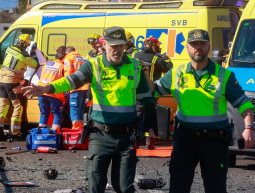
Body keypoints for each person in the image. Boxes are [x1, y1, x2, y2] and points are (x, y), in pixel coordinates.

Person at [22, 26, 157, 193]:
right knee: (95, 185)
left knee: (124, 187)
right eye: (113, 45)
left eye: (120, 45)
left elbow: (147, 98)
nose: (117, 50)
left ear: (125, 45)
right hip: (101, 136)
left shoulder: (135, 66)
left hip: (126, 137)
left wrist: (150, 125)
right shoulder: (93, 65)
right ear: (105, 44)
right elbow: (70, 81)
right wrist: (46, 88)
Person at [153, 29, 255, 193]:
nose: (198, 48)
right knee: (178, 187)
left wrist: (249, 128)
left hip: (214, 141)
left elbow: (244, 104)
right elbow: (153, 90)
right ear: (187, 47)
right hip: (184, 140)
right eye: (194, 44)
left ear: (209, 46)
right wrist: (141, 75)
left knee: (215, 188)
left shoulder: (224, 75)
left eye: (202, 44)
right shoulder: (176, 73)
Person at [0, 34, 38, 141]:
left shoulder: (10, 49)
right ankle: (15, 133)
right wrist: (33, 54)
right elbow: (34, 64)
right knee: (18, 106)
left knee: (3, 106)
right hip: (12, 83)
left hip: (2, 81)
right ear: (27, 44)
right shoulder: (24, 55)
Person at [134, 36, 173, 149]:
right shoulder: (158, 59)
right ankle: (149, 141)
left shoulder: (135, 56)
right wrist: (166, 59)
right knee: (151, 115)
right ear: (154, 46)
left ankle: (135, 140)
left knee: (137, 114)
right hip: (151, 91)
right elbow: (169, 69)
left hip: (136, 90)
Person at [37, 46, 66, 130]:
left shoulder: (47, 64)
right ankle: (55, 135)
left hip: (42, 91)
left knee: (44, 113)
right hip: (54, 93)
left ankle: (41, 135)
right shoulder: (62, 66)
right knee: (57, 114)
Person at [64, 46, 89, 128]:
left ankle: (76, 131)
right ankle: (81, 132)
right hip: (86, 88)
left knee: (74, 111)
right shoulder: (85, 59)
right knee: (81, 111)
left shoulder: (69, 58)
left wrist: (67, 88)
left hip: (76, 88)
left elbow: (68, 74)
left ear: (67, 52)